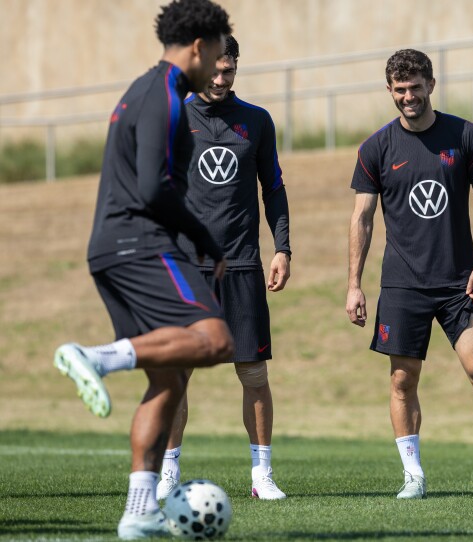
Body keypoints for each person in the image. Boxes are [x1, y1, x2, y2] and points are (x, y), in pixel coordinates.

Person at [52, 0, 232, 538]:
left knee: (170, 377)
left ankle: (139, 511)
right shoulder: (166, 98)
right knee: (217, 339)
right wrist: (204, 239)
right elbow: (155, 188)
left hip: (110, 248)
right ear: (199, 46)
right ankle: (96, 357)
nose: (220, 63)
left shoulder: (140, 89)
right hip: (139, 244)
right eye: (219, 52)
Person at [346, 48, 473, 501]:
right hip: (402, 284)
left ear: (431, 84)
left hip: (459, 283)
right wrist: (353, 283)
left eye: (415, 87)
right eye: (399, 89)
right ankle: (413, 476)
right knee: (401, 380)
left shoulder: (465, 135)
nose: (408, 96)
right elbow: (362, 219)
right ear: (389, 91)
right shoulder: (376, 148)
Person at [154, 35, 291, 501]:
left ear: (236, 68)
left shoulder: (256, 121)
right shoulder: (174, 118)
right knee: (176, 374)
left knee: (253, 375)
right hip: (187, 269)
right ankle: (169, 473)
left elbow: (273, 187)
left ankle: (262, 476)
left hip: (243, 265)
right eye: (212, 70)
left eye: (227, 70)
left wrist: (282, 248)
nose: (219, 79)